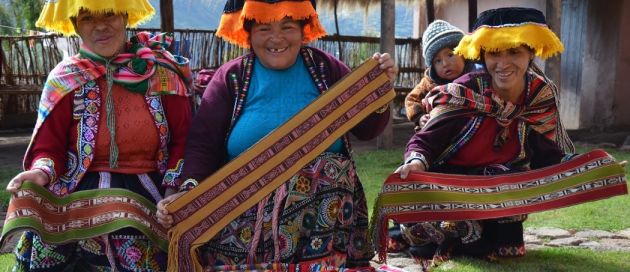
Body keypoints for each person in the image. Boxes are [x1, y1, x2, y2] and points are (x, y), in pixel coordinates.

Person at [156, 0, 397, 271]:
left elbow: (366, 129)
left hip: (323, 222)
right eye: (264, 29)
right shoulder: (232, 78)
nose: (276, 38)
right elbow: (203, 144)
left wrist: (378, 90)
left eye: (288, 26)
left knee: (330, 168)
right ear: (248, 34)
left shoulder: (327, 70)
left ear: (304, 29)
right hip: (246, 222)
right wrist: (188, 193)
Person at [5, 0, 191, 271]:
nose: (101, 26)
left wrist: (174, 190)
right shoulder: (65, 78)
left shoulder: (159, 73)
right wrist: (40, 173)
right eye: (88, 18)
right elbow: (50, 147)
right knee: (48, 248)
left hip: (149, 190)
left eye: (109, 15)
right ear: (74, 25)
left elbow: (184, 140)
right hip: (76, 186)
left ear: (125, 17)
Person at [394, 7, 575, 266]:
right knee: (421, 221)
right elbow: (427, 138)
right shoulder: (464, 90)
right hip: (450, 179)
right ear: (482, 54)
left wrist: (583, 167)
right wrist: (416, 161)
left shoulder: (538, 94)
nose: (502, 64)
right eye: (494, 54)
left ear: (531, 54)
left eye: (514, 52)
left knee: (509, 181)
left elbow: (546, 151)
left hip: (498, 183)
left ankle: (492, 236)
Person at [404, 20, 475, 131]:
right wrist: (420, 117)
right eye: (438, 61)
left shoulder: (476, 77)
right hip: (438, 132)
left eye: (450, 55)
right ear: (432, 66)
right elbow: (411, 100)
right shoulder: (428, 83)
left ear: (463, 53)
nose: (445, 64)